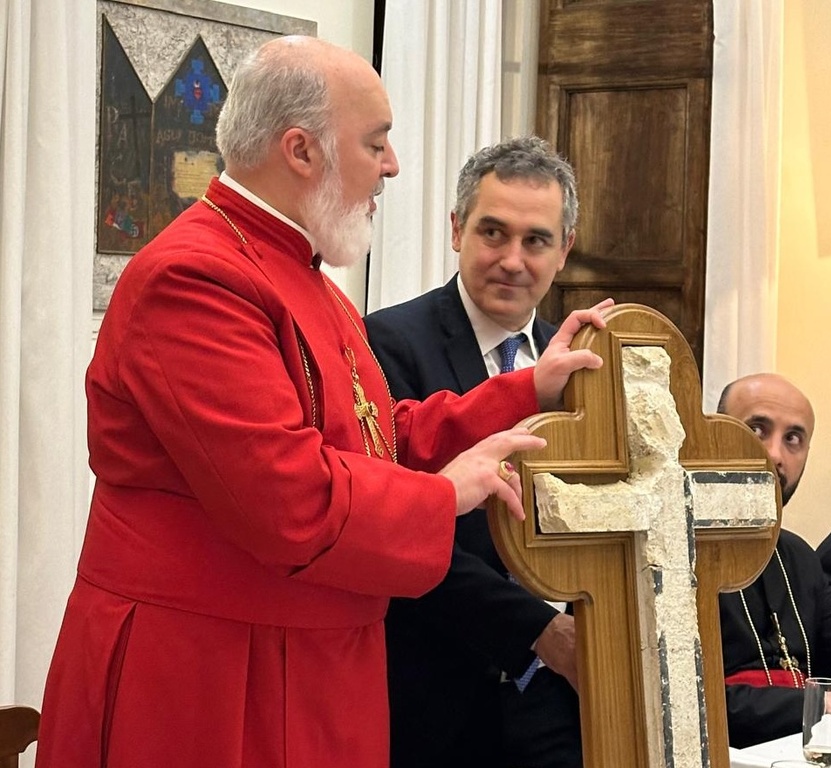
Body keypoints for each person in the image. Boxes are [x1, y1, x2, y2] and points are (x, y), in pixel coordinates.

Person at [35, 38, 612, 768]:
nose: (392, 165)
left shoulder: (299, 270)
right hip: (204, 665)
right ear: (302, 150)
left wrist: (528, 388)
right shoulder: (194, 278)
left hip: (302, 653)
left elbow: (374, 435)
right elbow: (289, 496)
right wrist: (441, 498)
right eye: (376, 142)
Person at [365, 137, 583, 768]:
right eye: (493, 232)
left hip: (565, 699)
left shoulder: (584, 369)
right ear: (456, 230)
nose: (513, 260)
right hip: (437, 694)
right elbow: (401, 527)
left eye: (536, 240)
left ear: (565, 249)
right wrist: (539, 631)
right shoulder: (385, 343)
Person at [716, 373, 831, 748]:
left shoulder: (799, 557)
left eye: (793, 439)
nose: (774, 455)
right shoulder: (660, 555)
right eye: (756, 430)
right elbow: (686, 700)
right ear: (713, 434)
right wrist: (818, 707)